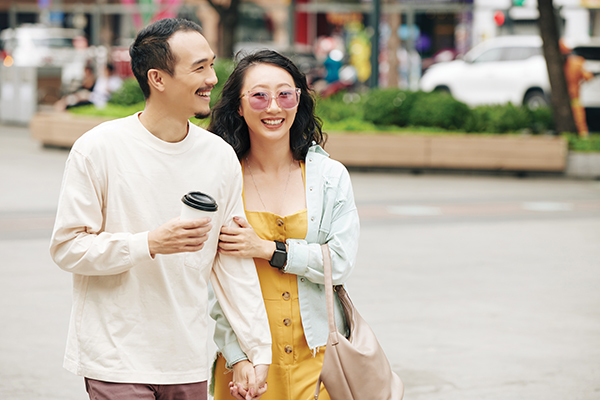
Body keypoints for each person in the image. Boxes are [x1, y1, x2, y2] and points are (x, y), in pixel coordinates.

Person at [49, 18, 271, 400]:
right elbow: (67, 248)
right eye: (198, 67)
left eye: (211, 64)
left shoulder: (219, 157)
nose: (213, 78)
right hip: (114, 357)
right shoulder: (98, 149)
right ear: (158, 78)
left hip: (185, 358)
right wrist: (149, 243)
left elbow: (231, 260)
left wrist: (253, 349)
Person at [208, 50, 360, 400]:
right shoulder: (223, 178)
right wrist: (236, 355)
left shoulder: (329, 177)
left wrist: (268, 249)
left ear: (299, 101)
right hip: (246, 364)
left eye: (285, 94)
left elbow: (339, 262)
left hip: (321, 358)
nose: (274, 107)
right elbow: (212, 284)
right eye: (259, 96)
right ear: (239, 107)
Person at [560, 38, 594, 137]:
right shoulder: (578, 62)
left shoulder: (559, 65)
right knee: (579, 120)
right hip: (574, 97)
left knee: (574, 119)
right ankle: (582, 137)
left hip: (565, 98)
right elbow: (588, 77)